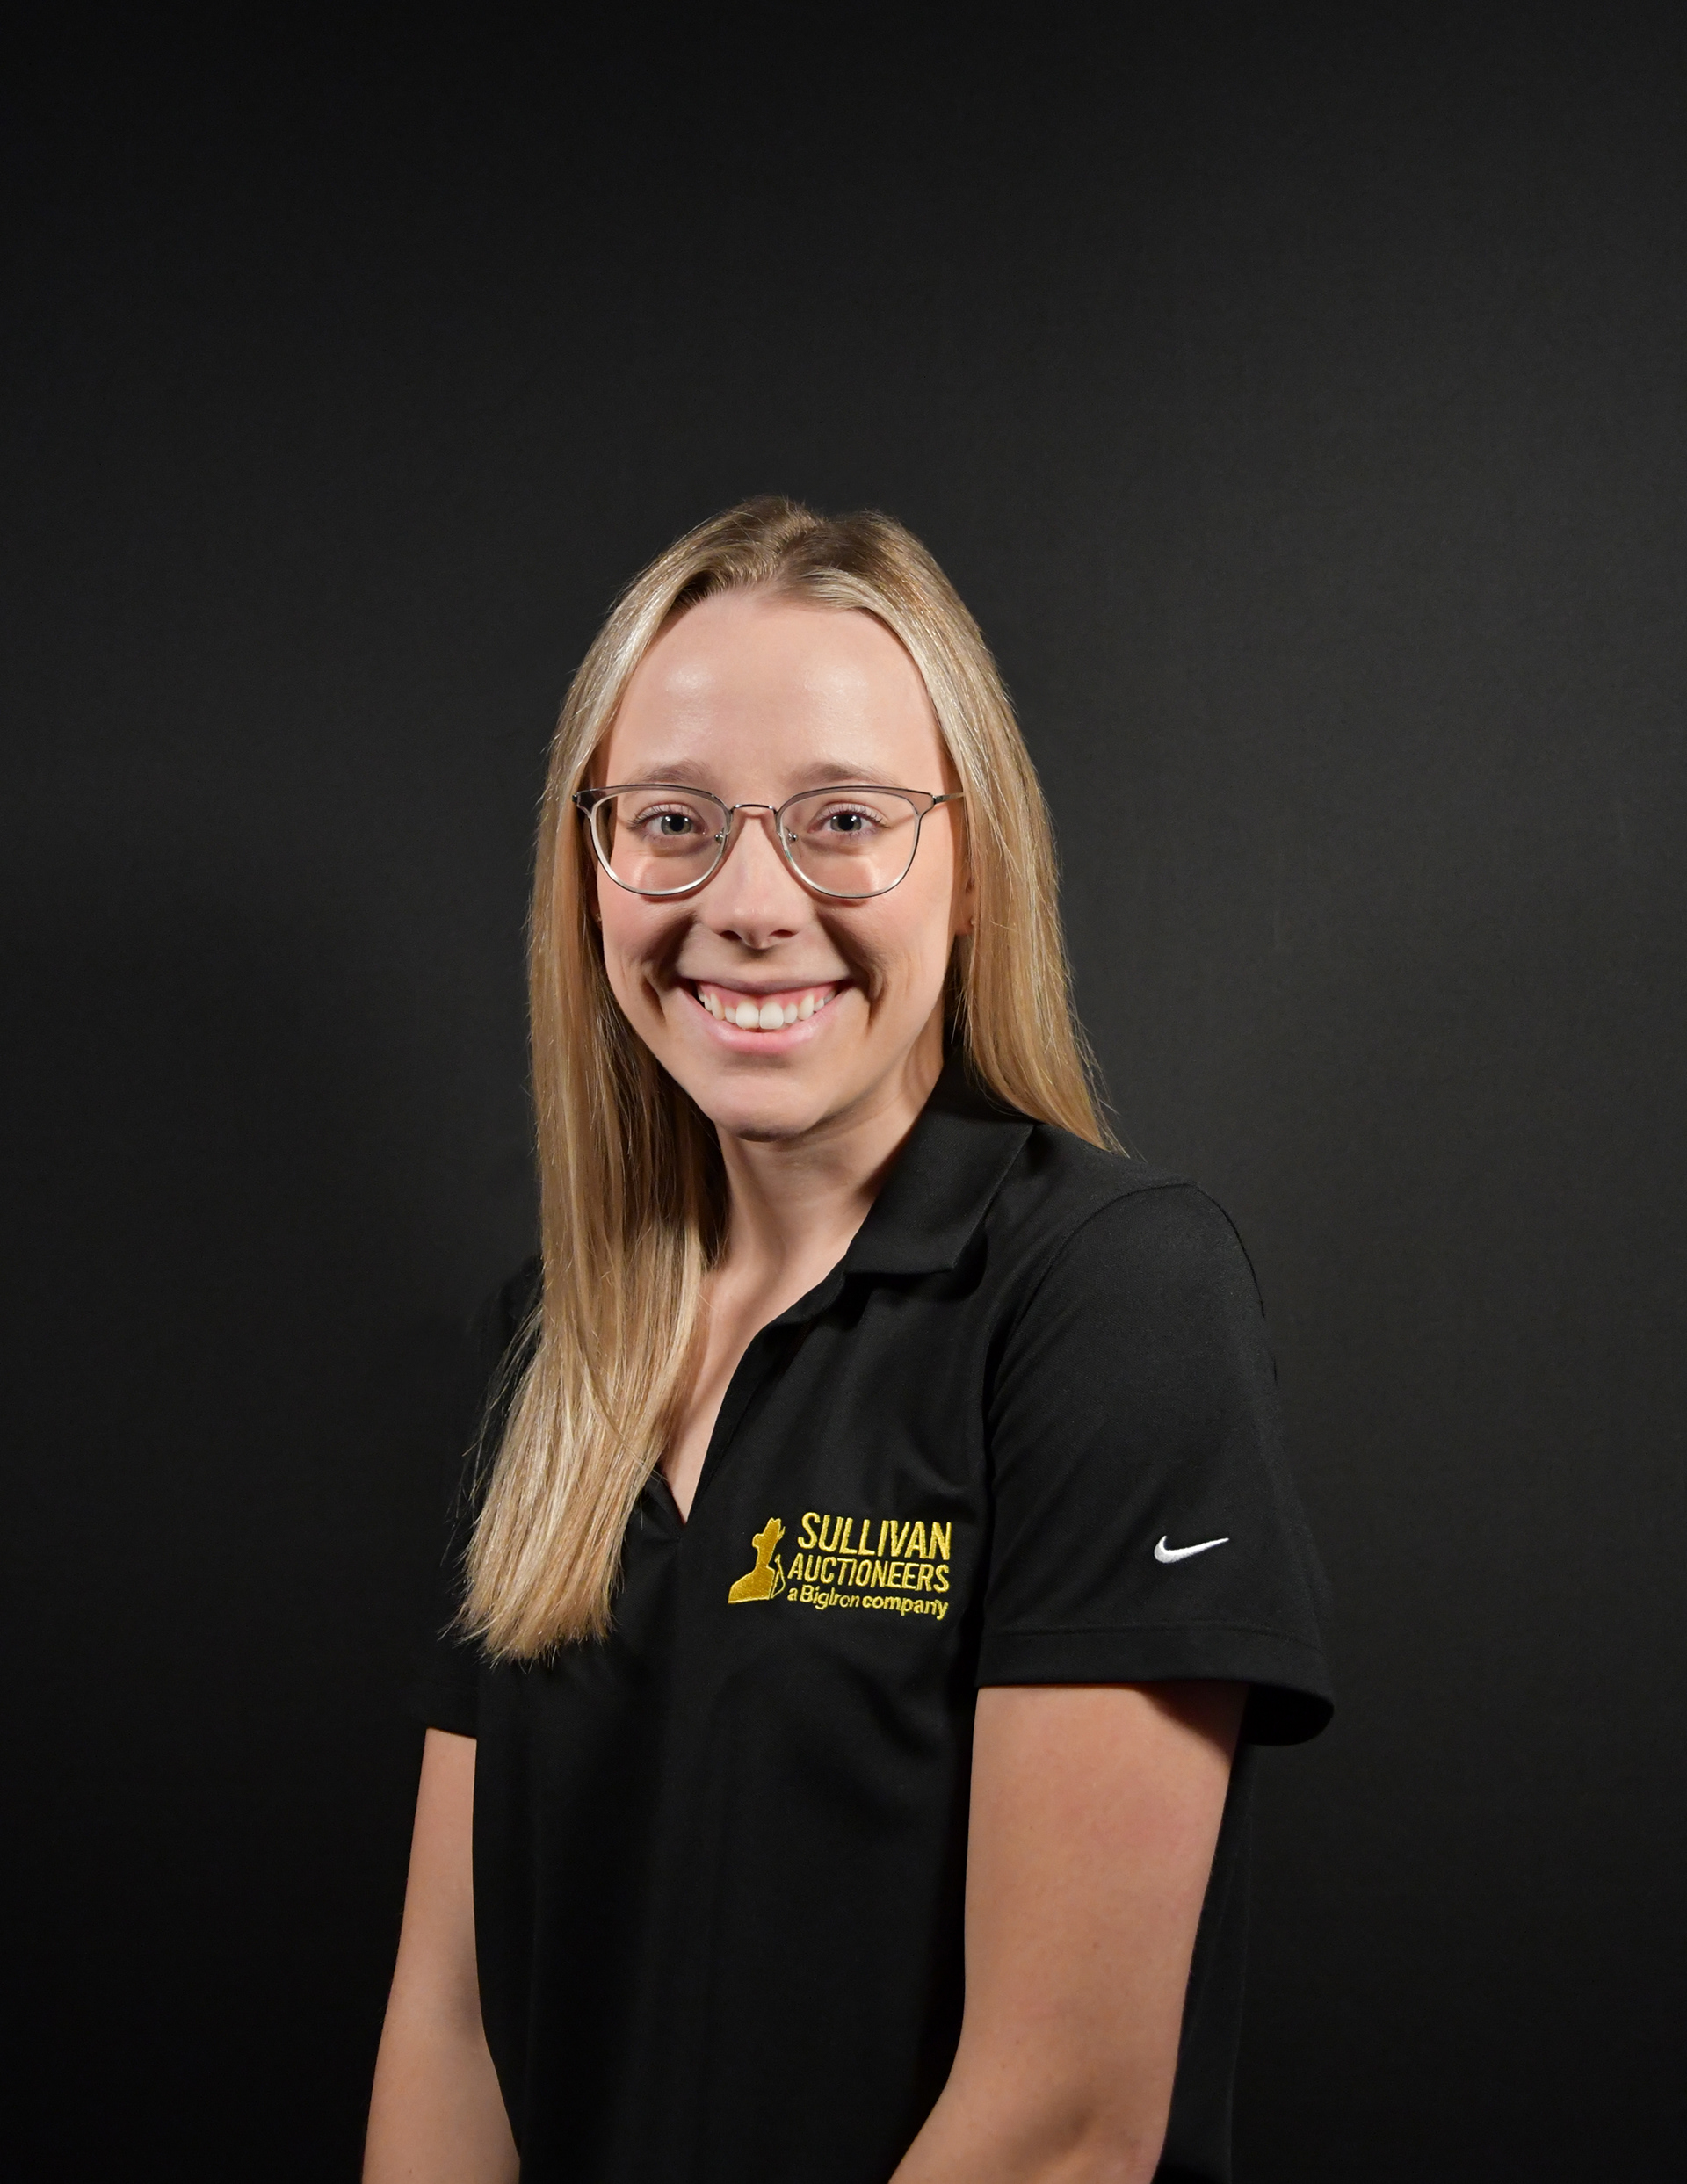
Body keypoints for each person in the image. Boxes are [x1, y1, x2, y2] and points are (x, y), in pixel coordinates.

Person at [364, 498, 1331, 2184]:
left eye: (845, 820)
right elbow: (451, 2025)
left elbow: (1064, 2127)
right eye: (673, 820)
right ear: (590, 870)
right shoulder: (555, 1349)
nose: (750, 902)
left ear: (975, 869)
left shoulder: (1110, 1294)